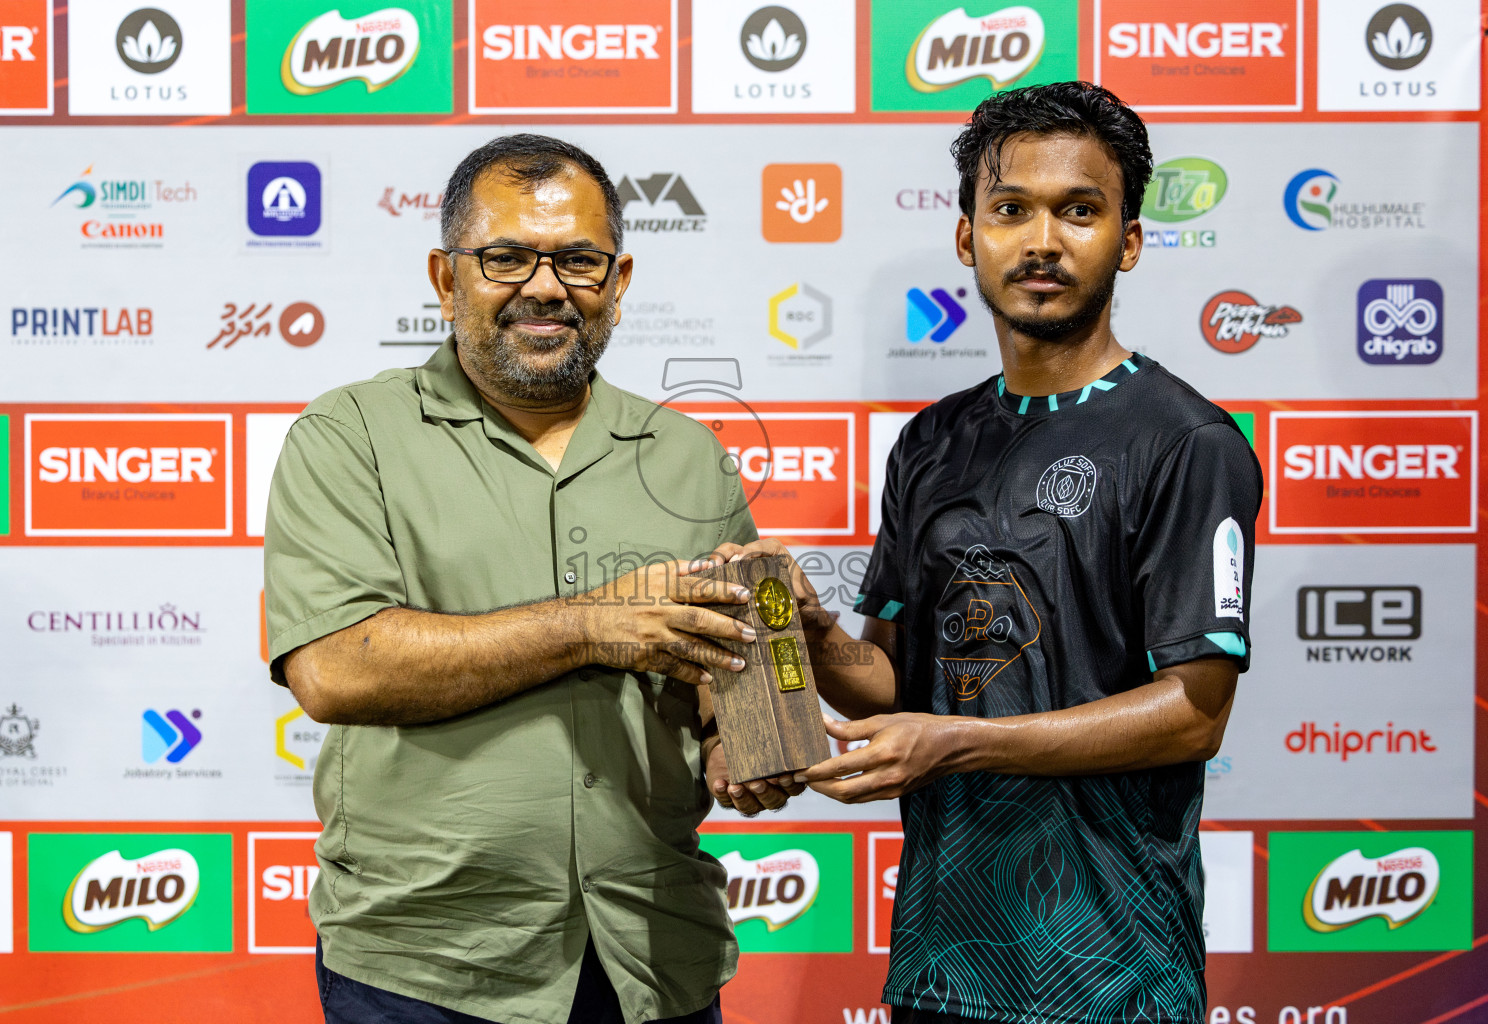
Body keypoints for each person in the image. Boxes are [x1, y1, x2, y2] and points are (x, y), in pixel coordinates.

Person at [720, 82, 1263, 1024]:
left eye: (1079, 211)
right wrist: (810, 635)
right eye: (1011, 210)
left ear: (1128, 241)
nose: (1042, 240)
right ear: (969, 237)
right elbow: (892, 681)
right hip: (943, 960)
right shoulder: (931, 442)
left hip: (1114, 973)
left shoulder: (1187, 443)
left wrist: (960, 743)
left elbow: (1194, 714)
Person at [262, 134, 800, 1024]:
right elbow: (335, 669)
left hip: (653, 953)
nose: (545, 287)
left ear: (617, 283)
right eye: (505, 257)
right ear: (446, 277)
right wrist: (592, 625)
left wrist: (741, 743)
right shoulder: (349, 435)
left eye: (578, 260)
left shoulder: (691, 455)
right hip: (427, 967)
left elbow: (730, 674)